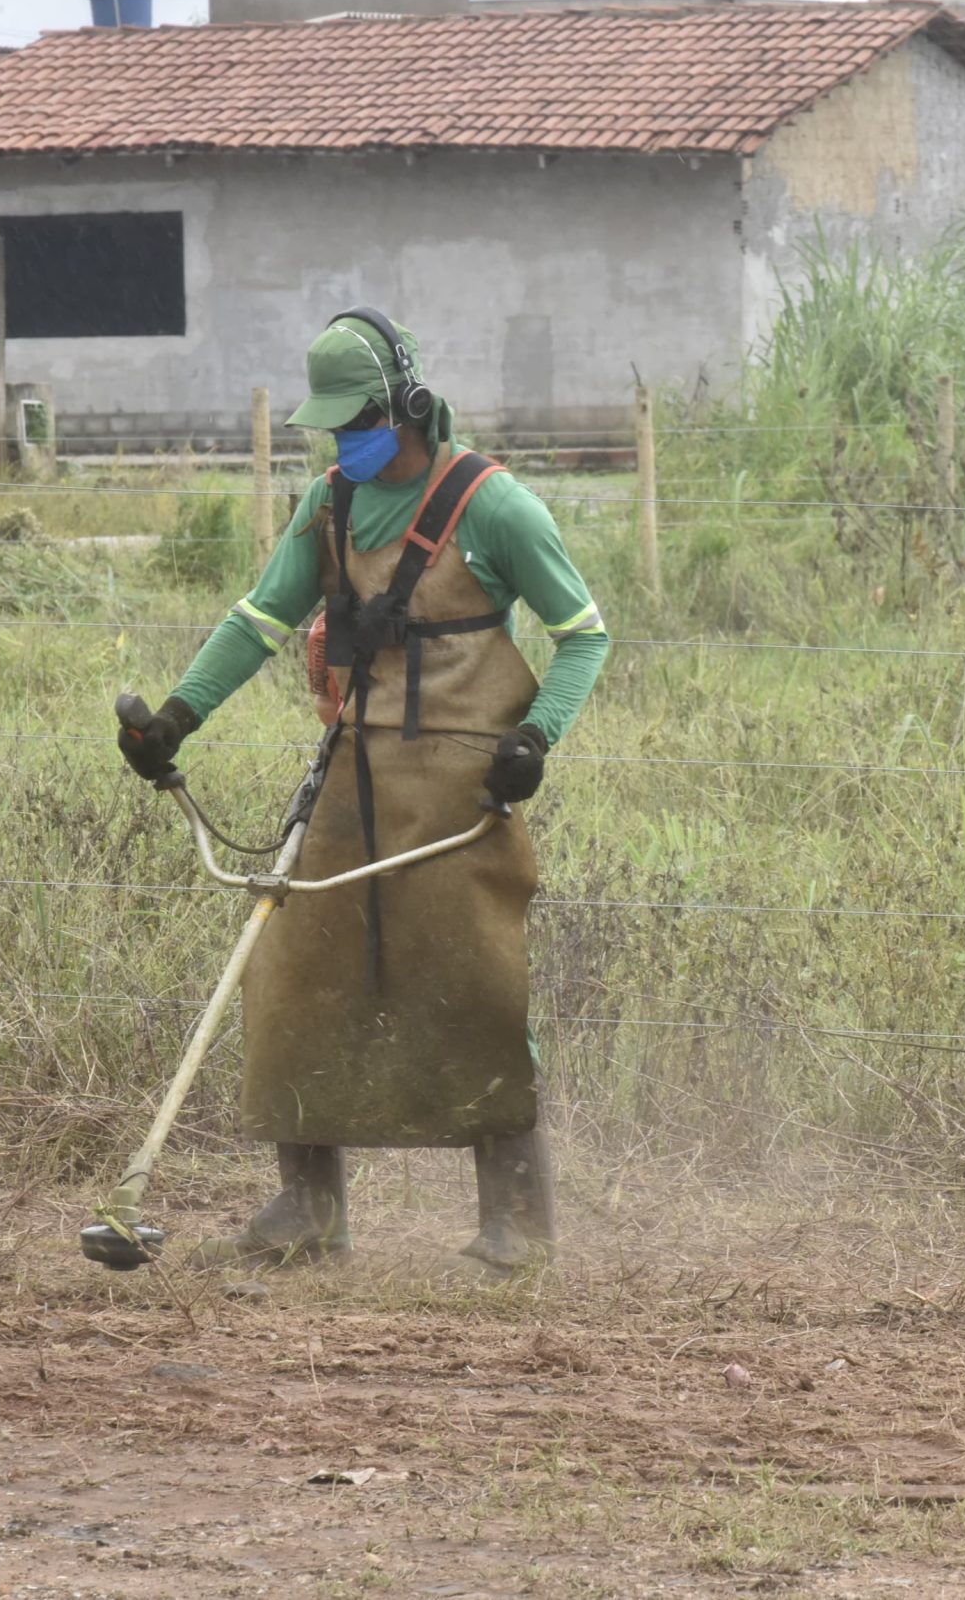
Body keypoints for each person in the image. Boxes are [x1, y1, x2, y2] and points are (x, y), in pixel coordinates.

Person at [118, 309, 609, 1273]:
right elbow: (259, 620)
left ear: (408, 406)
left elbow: (584, 635)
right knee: (296, 970)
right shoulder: (327, 505)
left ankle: (519, 1225)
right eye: (333, 429)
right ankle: (309, 1208)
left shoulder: (495, 507)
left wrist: (535, 738)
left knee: (475, 984)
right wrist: (177, 717)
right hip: (353, 769)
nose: (345, 445)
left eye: (358, 424)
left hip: (467, 784)